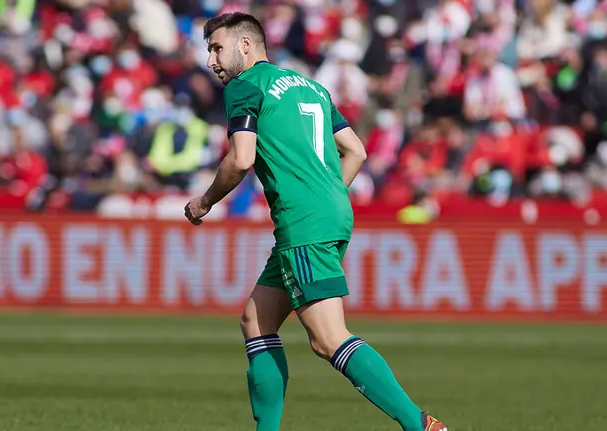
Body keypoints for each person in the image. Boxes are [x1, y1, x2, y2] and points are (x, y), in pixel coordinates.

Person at [184, 12, 448, 431]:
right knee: (256, 321)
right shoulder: (311, 86)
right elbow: (356, 151)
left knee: (328, 339)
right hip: (332, 212)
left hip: (303, 223)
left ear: (245, 46)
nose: (211, 60)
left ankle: (420, 425)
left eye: (217, 48)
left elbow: (241, 158)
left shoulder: (244, 85)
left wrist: (204, 202)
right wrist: (328, 196)